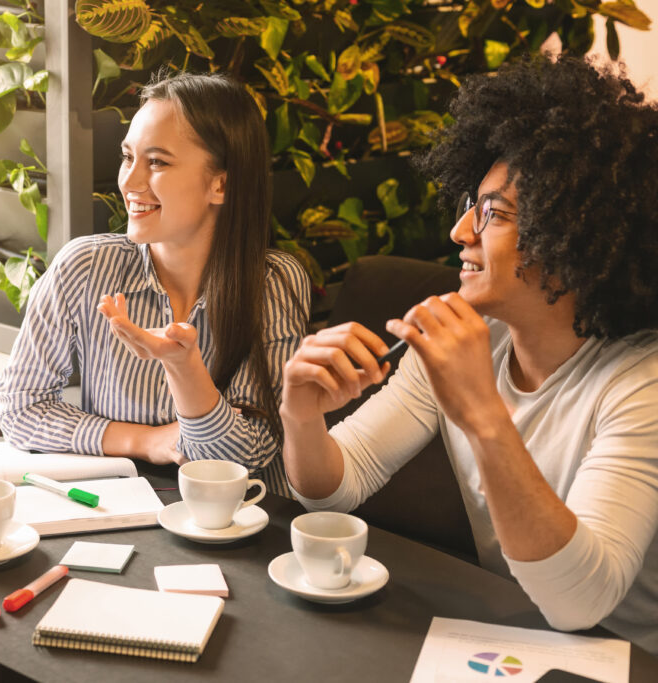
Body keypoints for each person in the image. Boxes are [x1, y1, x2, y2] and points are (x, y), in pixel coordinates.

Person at [280, 54, 658, 653]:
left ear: (571, 238)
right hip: (513, 638)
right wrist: (300, 415)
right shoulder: (476, 334)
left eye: (494, 214)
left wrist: (482, 412)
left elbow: (581, 603)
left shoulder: (643, 384)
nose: (461, 231)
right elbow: (335, 487)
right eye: (471, 204)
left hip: (624, 657)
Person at [0, 72, 310, 496]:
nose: (129, 181)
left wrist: (184, 366)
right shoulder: (85, 267)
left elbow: (247, 455)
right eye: (128, 157)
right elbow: (20, 408)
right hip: (115, 509)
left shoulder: (274, 284)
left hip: (237, 527)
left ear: (221, 183)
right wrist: (143, 441)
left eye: (157, 162)